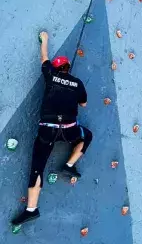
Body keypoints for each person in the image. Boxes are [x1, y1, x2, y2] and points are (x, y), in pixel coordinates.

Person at [12, 31, 93, 226]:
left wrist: (45, 39)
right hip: (69, 129)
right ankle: (69, 165)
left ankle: (31, 209)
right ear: (68, 68)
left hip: (47, 130)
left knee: (37, 167)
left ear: (57, 68)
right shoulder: (78, 83)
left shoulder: (50, 74)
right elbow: (84, 104)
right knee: (87, 135)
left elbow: (44, 57)